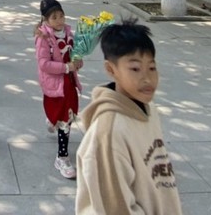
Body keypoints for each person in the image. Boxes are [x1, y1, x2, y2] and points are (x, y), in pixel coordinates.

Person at [76, 21, 182, 215]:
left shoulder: (148, 109)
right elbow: (116, 208)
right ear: (111, 69)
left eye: (151, 68)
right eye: (135, 69)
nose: (147, 79)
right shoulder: (108, 133)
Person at [35, 0, 83, 179]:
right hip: (54, 84)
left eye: (61, 16)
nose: (59, 20)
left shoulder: (69, 33)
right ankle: (62, 158)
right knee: (60, 115)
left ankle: (62, 154)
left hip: (68, 83)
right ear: (45, 20)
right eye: (53, 17)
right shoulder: (44, 38)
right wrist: (64, 67)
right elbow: (44, 63)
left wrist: (77, 63)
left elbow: (74, 56)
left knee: (67, 117)